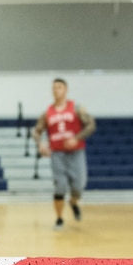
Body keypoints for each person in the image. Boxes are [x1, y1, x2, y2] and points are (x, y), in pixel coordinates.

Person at [32, 77, 96, 230]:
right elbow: (36, 131)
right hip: (57, 155)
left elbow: (91, 125)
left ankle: (73, 202)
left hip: (76, 153)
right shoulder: (47, 113)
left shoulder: (76, 108)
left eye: (59, 87)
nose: (56, 90)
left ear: (66, 90)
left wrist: (76, 138)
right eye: (54, 87)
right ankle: (59, 218)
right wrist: (40, 144)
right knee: (59, 187)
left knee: (78, 187)